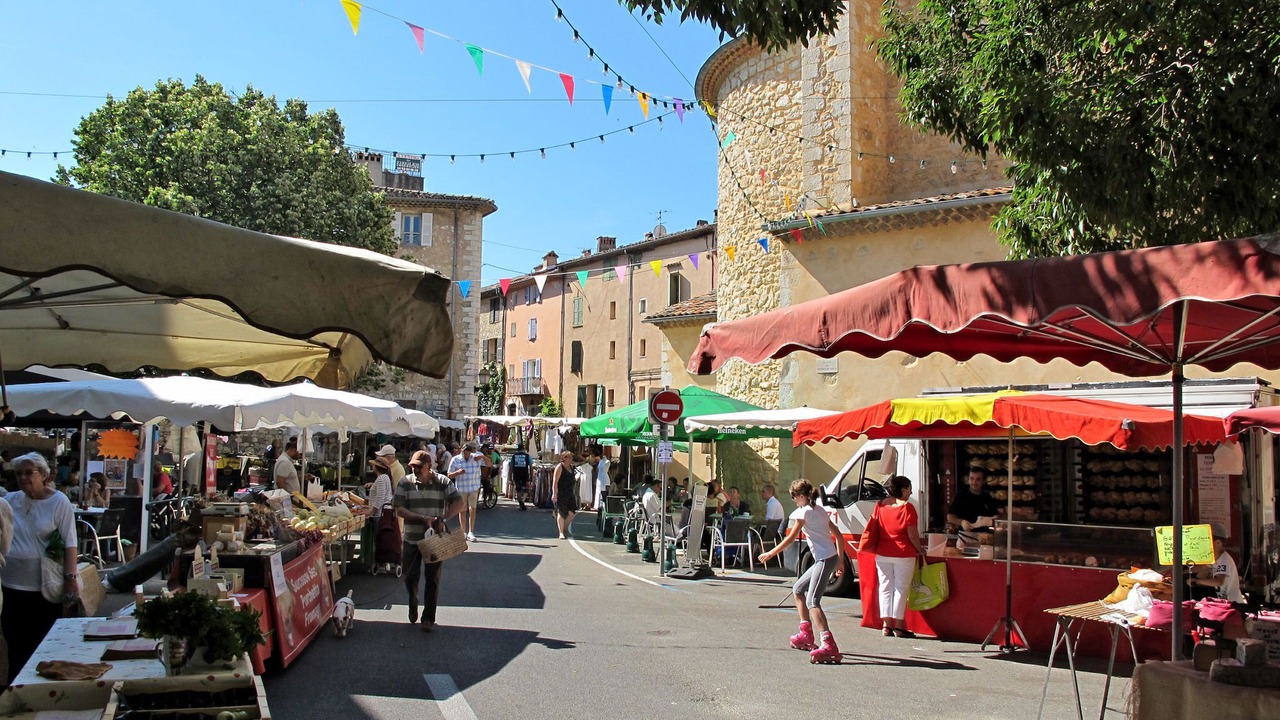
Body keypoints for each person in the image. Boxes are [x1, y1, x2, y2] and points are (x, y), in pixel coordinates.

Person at [2, 453, 78, 682]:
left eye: (28, 472)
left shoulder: (58, 502)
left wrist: (70, 579)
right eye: (18, 473)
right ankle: (15, 693)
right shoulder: (9, 500)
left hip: (44, 587)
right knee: (15, 646)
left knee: (42, 647)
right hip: (11, 585)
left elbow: (70, 543)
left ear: (44, 475)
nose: (23, 477)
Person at [757, 479, 846, 664]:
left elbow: (790, 539)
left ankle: (828, 643)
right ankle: (806, 633)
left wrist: (771, 553)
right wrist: (839, 561)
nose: (794, 500)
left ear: (802, 496)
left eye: (794, 497)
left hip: (823, 559)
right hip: (827, 558)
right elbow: (838, 535)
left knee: (813, 601)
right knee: (798, 589)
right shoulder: (819, 509)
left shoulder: (804, 511)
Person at [393, 450, 463, 633]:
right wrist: (421, 517)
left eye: (418, 466)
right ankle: (413, 601)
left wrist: (444, 518)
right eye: (412, 466)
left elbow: (459, 502)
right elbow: (398, 509)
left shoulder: (442, 482)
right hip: (411, 538)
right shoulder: (405, 482)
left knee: (433, 579)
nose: (414, 469)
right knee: (410, 577)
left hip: (434, 538)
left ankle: (428, 618)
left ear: (428, 466)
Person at [864, 475, 927, 638]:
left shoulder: (880, 505)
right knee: (900, 588)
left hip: (883, 553)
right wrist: (919, 549)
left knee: (885, 587)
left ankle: (886, 625)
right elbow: (912, 534)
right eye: (909, 488)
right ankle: (899, 626)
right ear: (903, 489)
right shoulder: (907, 508)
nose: (910, 491)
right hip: (903, 553)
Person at [1188, 534, 1245, 602]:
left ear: (1218, 542)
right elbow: (1202, 568)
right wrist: (1182, 571)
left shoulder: (1224, 559)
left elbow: (1219, 582)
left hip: (1232, 603)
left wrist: (1197, 581)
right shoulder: (1216, 559)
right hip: (1226, 602)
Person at [447, 442, 484, 542]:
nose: (465, 454)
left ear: (471, 452)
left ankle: (471, 532)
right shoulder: (456, 459)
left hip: (473, 487)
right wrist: (458, 472)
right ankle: (463, 531)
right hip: (461, 488)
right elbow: (449, 475)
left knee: (472, 509)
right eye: (464, 452)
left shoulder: (476, 457)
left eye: (467, 453)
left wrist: (483, 457)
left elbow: (489, 464)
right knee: (462, 510)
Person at [362, 457, 395, 571]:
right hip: (385, 512)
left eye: (374, 464)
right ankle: (383, 561)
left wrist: (370, 511)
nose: (372, 466)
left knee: (378, 539)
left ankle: (380, 562)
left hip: (379, 514)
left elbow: (380, 498)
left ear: (378, 467)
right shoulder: (384, 477)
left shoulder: (381, 479)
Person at [946, 467, 1002, 531]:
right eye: (971, 478)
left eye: (978, 479)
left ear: (983, 481)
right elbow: (950, 516)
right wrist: (962, 522)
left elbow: (996, 516)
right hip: (965, 535)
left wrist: (989, 521)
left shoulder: (987, 497)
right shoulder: (960, 496)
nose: (974, 482)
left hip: (984, 536)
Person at [550, 451, 578, 540]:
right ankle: (561, 532)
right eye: (568, 457)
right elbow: (555, 482)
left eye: (571, 457)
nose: (570, 459)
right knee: (561, 512)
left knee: (571, 513)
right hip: (561, 493)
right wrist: (554, 494)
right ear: (564, 458)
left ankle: (564, 528)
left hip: (570, 493)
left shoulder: (572, 467)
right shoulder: (560, 467)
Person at [510, 443, 533, 511]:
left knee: (518, 490)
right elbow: (531, 467)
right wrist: (531, 476)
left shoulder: (514, 456)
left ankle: (520, 504)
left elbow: (511, 468)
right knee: (526, 489)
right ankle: (522, 501)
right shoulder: (527, 456)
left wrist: (510, 477)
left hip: (516, 475)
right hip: (525, 475)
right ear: (523, 449)